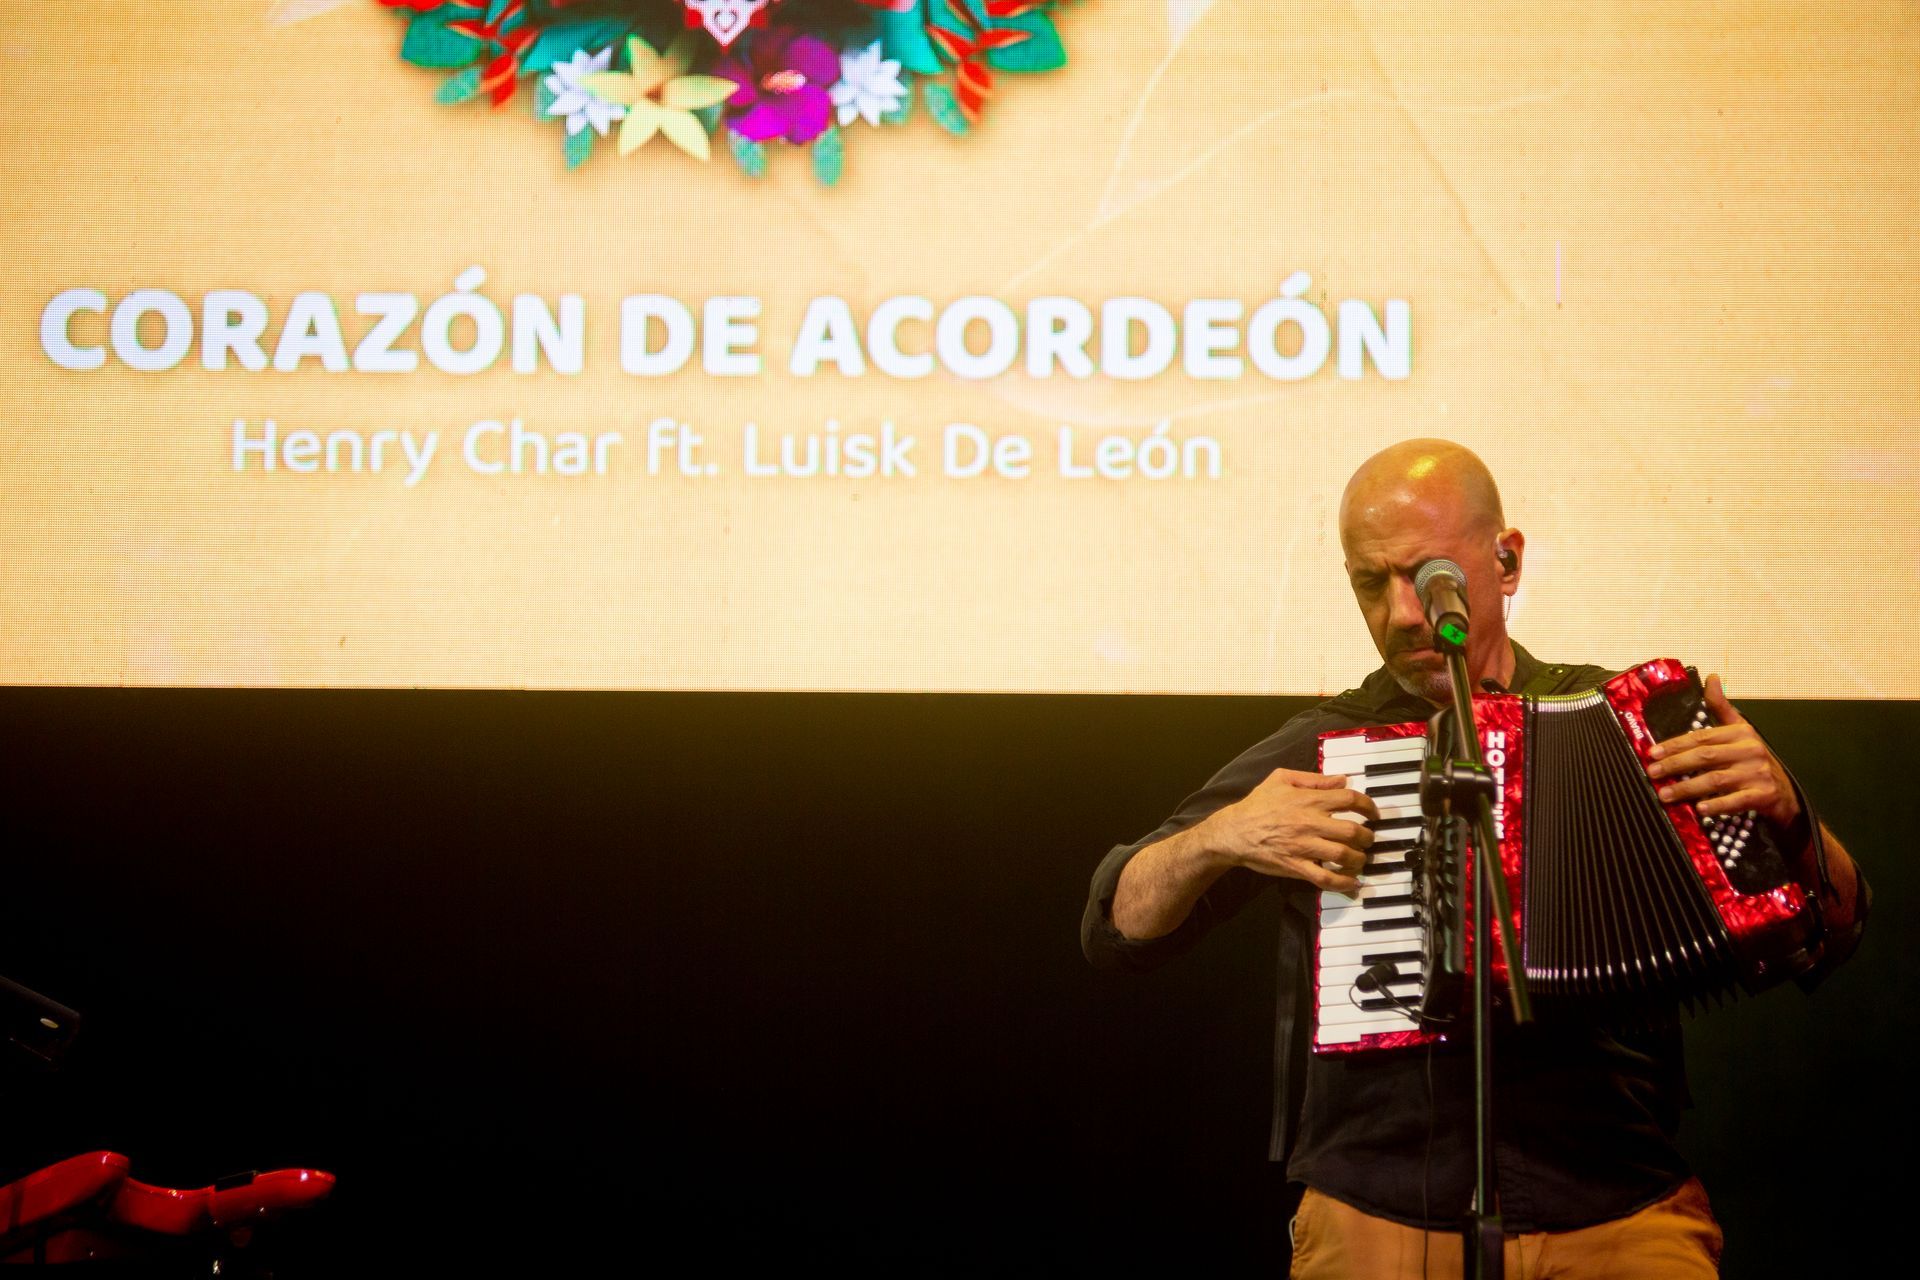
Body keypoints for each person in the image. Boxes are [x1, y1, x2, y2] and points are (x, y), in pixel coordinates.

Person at [1080, 439, 1868, 1279]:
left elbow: (1838, 929)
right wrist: (1221, 835)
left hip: (1618, 1201)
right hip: (1381, 1207)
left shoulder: (1637, 722)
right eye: (1368, 584)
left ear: (1507, 561)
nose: (1401, 615)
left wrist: (1788, 809)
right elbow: (1115, 926)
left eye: (1423, 578)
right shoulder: (1328, 742)